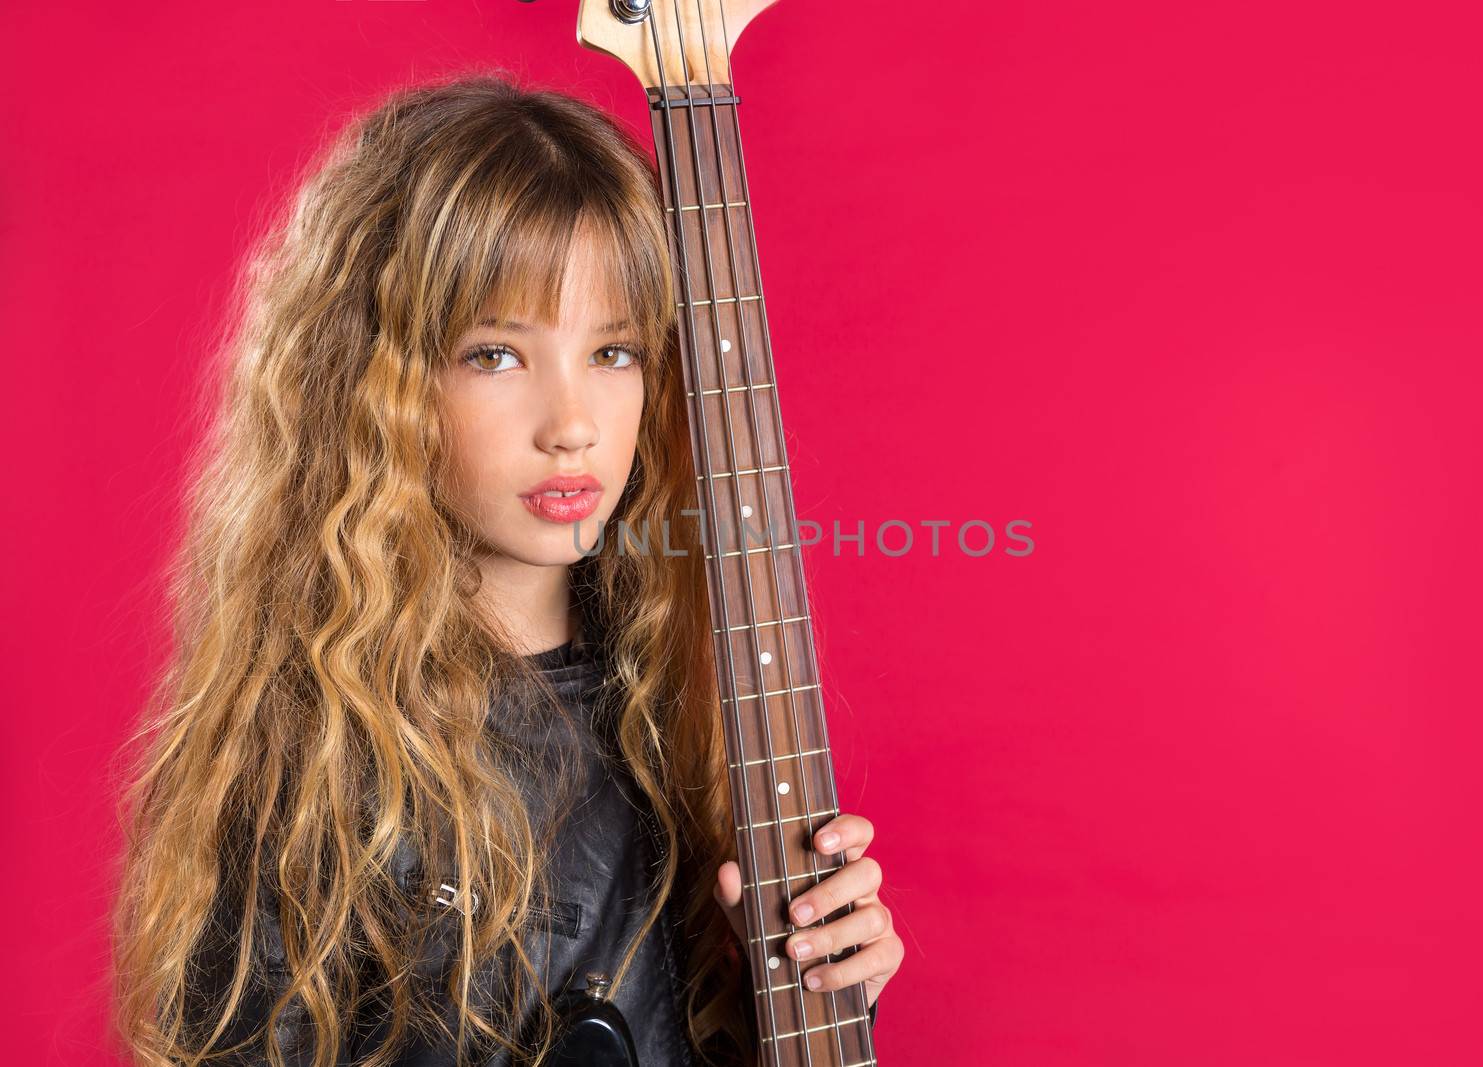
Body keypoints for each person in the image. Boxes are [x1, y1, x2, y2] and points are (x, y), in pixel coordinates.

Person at [109, 72, 903, 1066]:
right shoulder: (309, 768)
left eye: (613, 352)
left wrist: (804, 993)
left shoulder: (680, 714)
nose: (570, 424)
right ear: (376, 385)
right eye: (495, 355)